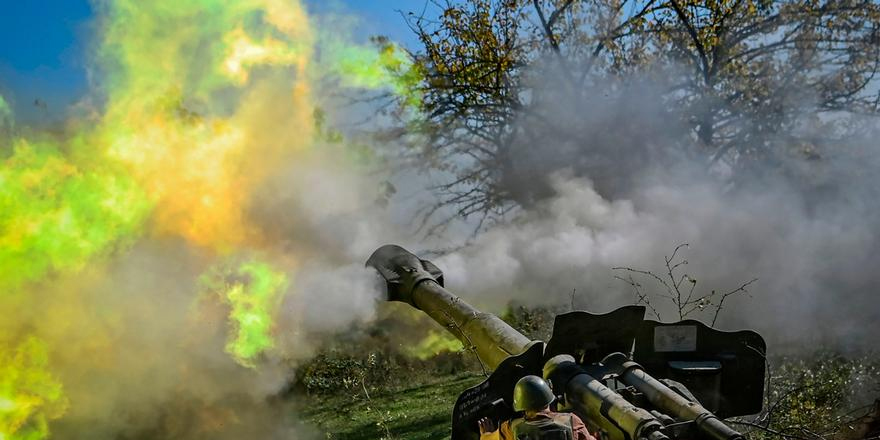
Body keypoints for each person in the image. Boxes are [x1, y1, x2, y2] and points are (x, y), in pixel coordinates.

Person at [478, 375, 597, 440]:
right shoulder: (572, 422)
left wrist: (485, 433)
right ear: (549, 397)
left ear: (521, 405)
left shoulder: (511, 428)